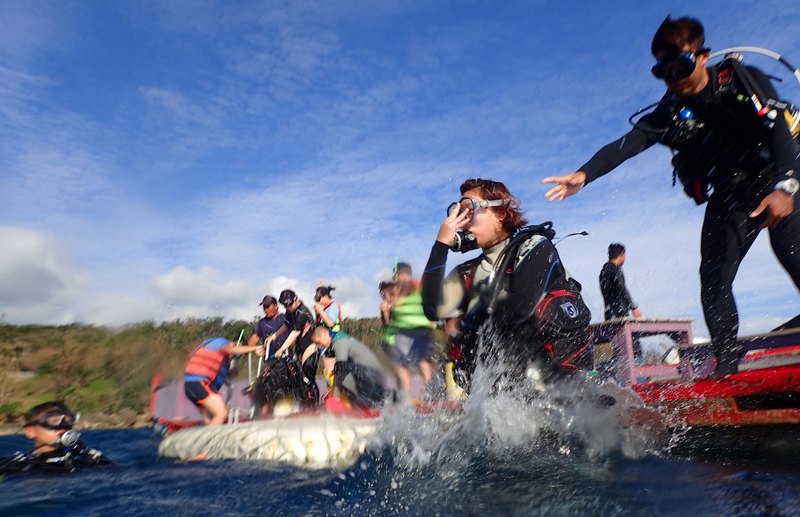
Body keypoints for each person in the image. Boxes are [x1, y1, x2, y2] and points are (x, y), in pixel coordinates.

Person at [542, 16, 799, 377]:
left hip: (776, 177)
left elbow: (781, 132)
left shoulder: (739, 81)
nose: (673, 78)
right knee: (713, 279)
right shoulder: (672, 112)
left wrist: (785, 186)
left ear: (703, 56)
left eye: (680, 65)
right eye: (663, 71)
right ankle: (727, 369)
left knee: (792, 254)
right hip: (731, 193)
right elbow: (627, 143)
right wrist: (584, 175)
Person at [421, 178, 592, 388]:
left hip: (564, 384)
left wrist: (467, 319)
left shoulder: (535, 246)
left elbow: (519, 307)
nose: (462, 221)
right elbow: (432, 309)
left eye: (469, 210)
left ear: (500, 213)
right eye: (458, 213)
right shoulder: (467, 273)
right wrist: (440, 246)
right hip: (507, 392)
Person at [0, 401, 110, 474]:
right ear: (31, 431)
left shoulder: (88, 458)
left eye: (68, 420)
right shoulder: (19, 464)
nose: (63, 426)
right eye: (54, 421)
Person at [382, 262, 436, 401]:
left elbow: (396, 308)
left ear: (399, 274)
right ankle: (430, 395)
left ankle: (406, 399)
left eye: (395, 275)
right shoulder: (419, 285)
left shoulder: (403, 287)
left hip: (406, 330)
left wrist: (389, 303)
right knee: (423, 361)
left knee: (402, 366)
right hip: (424, 329)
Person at [184, 337, 263, 425]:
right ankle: (211, 434)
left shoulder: (221, 358)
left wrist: (232, 373)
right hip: (198, 382)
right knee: (221, 413)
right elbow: (231, 350)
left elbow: (226, 378)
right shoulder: (220, 342)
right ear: (233, 343)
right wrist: (255, 348)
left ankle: (207, 431)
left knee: (209, 418)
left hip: (190, 384)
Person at [264, 289, 320, 408]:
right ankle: (303, 405)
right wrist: (274, 336)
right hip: (300, 346)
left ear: (295, 300)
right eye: (285, 306)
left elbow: (295, 332)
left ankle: (313, 406)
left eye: (288, 305)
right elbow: (286, 325)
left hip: (311, 345)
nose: (287, 308)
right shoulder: (290, 311)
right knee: (297, 378)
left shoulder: (303, 312)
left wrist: (282, 348)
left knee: (307, 377)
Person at [312, 326, 389, 409]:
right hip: (369, 373)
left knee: (341, 371)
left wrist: (336, 397)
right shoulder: (338, 337)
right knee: (342, 370)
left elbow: (341, 369)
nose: (319, 346)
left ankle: (368, 404)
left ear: (325, 333)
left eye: (318, 342)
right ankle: (369, 403)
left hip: (370, 373)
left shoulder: (339, 342)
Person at [248, 295, 288, 415]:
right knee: (263, 389)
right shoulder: (262, 323)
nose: (266, 309)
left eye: (268, 306)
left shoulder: (284, 319)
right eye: (264, 307)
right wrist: (256, 349)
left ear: (276, 306)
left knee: (279, 389)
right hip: (268, 361)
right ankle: (263, 417)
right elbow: (252, 341)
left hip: (284, 360)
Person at [600, 243, 642, 321]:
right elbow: (621, 287)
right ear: (622, 254)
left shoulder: (603, 271)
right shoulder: (615, 269)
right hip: (620, 311)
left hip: (609, 313)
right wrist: (633, 307)